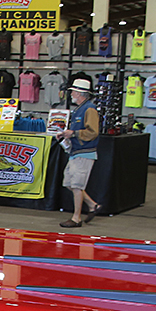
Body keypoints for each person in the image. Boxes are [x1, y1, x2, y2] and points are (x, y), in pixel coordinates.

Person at [57, 76, 102, 228]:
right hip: (76, 152)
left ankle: (76, 218)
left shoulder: (89, 109)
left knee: (76, 186)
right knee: (69, 183)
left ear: (80, 93)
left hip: (84, 152)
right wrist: (66, 135)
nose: (71, 95)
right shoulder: (81, 109)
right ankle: (92, 205)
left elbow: (93, 132)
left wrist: (73, 134)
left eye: (73, 92)